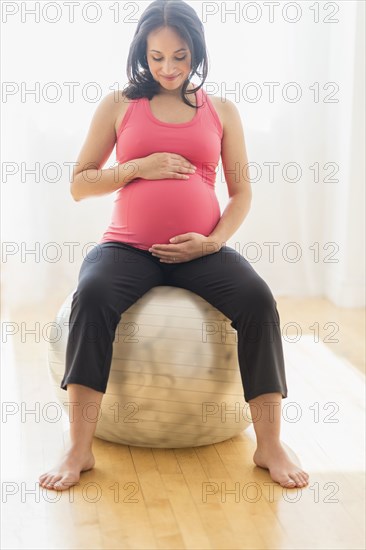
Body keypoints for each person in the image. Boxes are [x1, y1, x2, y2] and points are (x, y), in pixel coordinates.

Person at [39, 0, 309, 491]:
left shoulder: (221, 110)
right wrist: (138, 167)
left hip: (200, 251)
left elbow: (242, 192)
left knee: (257, 300)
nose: (167, 68)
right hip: (126, 248)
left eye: (180, 57)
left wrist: (212, 243)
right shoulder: (119, 103)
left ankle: (269, 443)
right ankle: (79, 448)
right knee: (93, 295)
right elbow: (80, 184)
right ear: (142, 52)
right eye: (157, 56)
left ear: (197, 53)